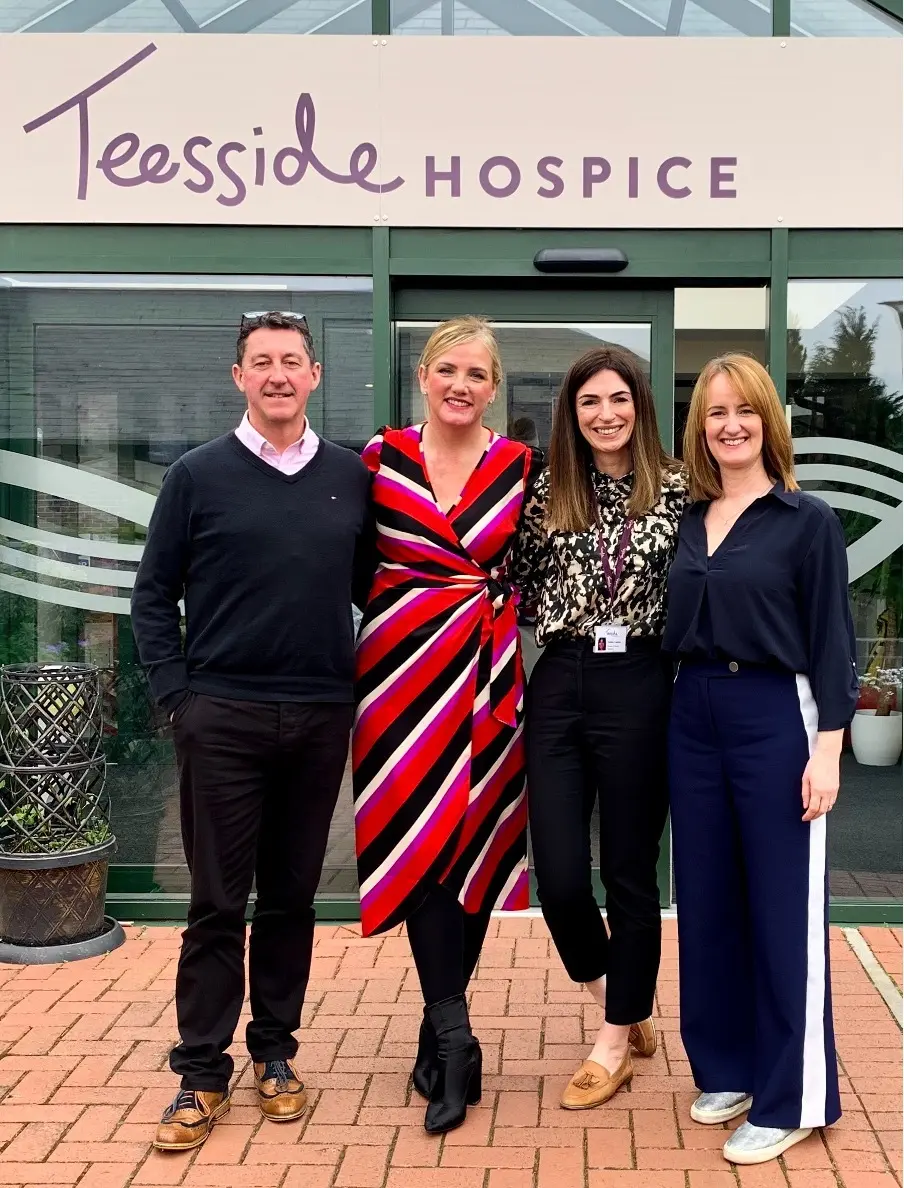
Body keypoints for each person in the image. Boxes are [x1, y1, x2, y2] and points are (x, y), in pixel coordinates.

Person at [131, 311, 372, 1152]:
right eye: (261, 361)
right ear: (238, 377)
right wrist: (178, 699)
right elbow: (153, 596)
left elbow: (380, 592)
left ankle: (274, 1055)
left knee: (293, 901)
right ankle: (201, 1073)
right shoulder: (197, 476)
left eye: (292, 361)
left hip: (317, 715)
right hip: (222, 716)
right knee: (216, 905)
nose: (277, 374)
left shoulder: (351, 477)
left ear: (314, 376)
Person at [663, 353, 858, 1166]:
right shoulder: (685, 517)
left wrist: (829, 754)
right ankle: (733, 1067)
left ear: (767, 421)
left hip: (776, 715)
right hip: (692, 712)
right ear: (699, 428)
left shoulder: (804, 521)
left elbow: (831, 643)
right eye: (715, 413)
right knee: (708, 904)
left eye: (744, 410)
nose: (730, 425)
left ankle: (795, 1095)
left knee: (782, 912)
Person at [353, 316, 537, 1135]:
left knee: (471, 854)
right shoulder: (379, 458)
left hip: (489, 683)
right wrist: (415, 617)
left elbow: (535, 572)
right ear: (423, 377)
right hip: (397, 683)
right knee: (419, 846)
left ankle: (442, 1033)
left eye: (477, 374)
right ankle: (458, 1037)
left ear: (494, 388)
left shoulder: (521, 467)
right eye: (447, 370)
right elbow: (355, 565)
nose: (461, 384)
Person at [513, 345, 686, 1110]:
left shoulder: (681, 489)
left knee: (627, 871)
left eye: (618, 399)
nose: (605, 414)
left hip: (641, 686)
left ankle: (615, 1038)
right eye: (589, 403)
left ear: (639, 405)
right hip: (559, 678)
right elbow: (503, 581)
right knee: (556, 875)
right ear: (571, 414)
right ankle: (624, 993)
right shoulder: (546, 489)